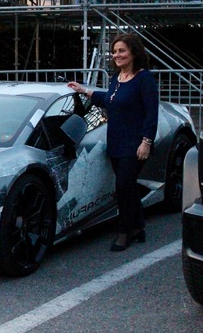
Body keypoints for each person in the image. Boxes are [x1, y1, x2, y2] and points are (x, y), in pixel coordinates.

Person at [68, 34, 159, 252]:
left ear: (134, 53)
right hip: (116, 142)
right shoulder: (117, 78)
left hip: (136, 144)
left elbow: (151, 113)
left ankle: (124, 231)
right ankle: (138, 227)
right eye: (114, 51)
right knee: (128, 186)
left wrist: (146, 142)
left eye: (121, 51)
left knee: (123, 187)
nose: (116, 55)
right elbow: (109, 99)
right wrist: (85, 91)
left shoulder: (144, 78)